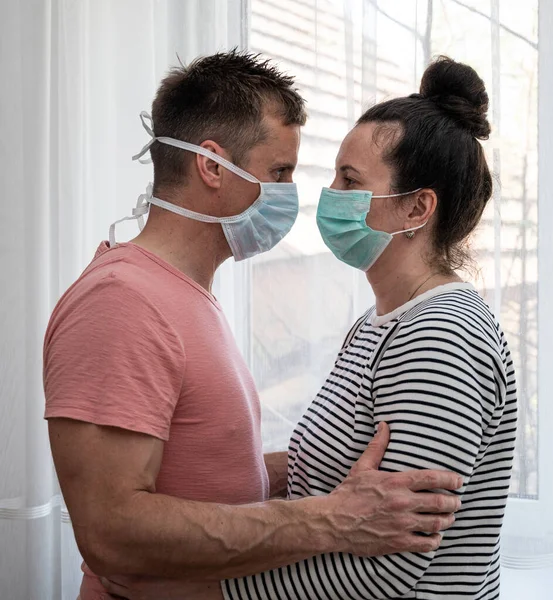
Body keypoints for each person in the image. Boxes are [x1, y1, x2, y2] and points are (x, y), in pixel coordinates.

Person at [44, 50, 463, 600]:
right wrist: (329, 520)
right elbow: (111, 531)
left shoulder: (183, 295)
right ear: (212, 166)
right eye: (280, 173)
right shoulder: (122, 301)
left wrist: (325, 467)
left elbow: (206, 470)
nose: (294, 195)